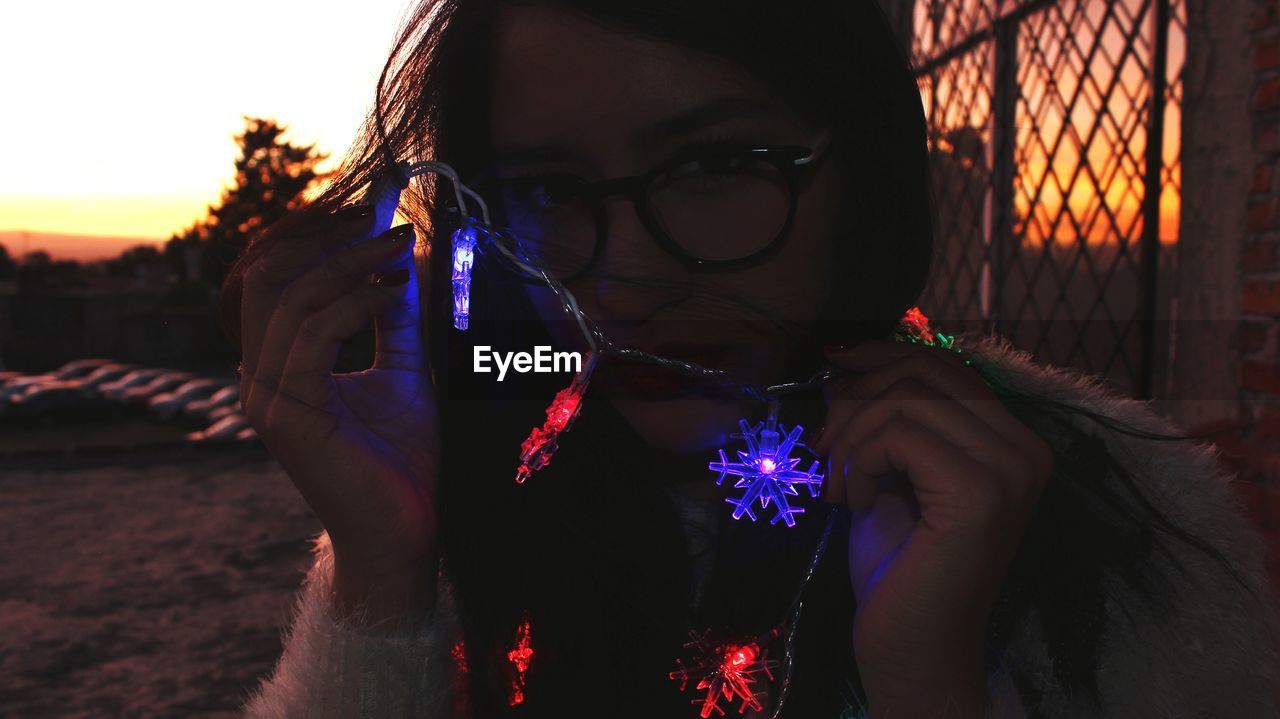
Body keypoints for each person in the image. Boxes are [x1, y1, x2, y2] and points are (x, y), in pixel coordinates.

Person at [221, 0, 1280, 716]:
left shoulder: (1135, 537)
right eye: (544, 189)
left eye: (715, 166)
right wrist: (377, 572)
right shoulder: (484, 490)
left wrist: (929, 684)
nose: (624, 277)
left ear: (862, 174)